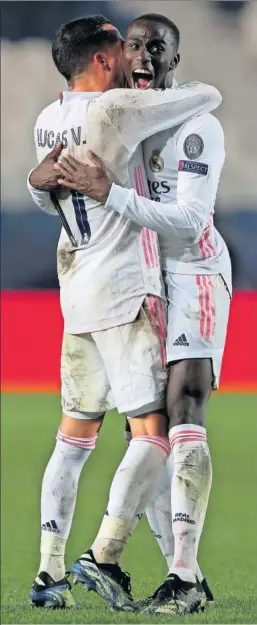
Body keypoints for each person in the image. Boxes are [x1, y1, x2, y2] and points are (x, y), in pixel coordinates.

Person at [53, 13, 231, 616]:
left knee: (183, 409)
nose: (145, 56)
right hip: (148, 279)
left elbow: (191, 220)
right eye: (134, 46)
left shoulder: (196, 126)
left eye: (158, 47)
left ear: (174, 58)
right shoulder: (127, 114)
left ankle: (173, 573)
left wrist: (112, 195)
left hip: (196, 274)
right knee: (145, 431)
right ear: (121, 56)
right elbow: (60, 175)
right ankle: (191, 576)